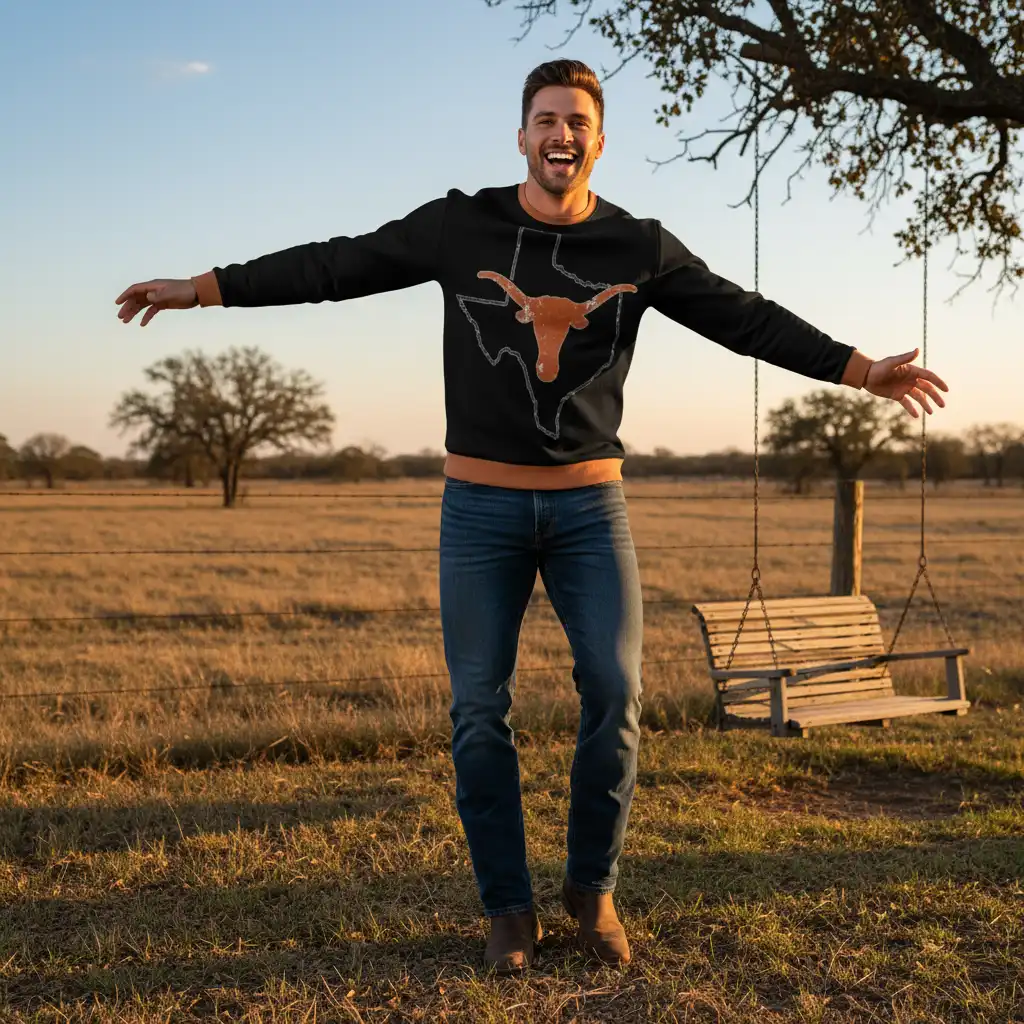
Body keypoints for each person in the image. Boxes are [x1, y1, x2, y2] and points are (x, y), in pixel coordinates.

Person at [115, 58, 949, 973]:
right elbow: (336, 264)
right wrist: (203, 287)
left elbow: (743, 318)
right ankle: (507, 908)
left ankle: (592, 892)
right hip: (480, 510)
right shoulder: (458, 224)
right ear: (522, 136)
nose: (562, 136)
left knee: (618, 697)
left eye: (577, 122)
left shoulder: (638, 246)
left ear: (599, 140)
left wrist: (862, 370)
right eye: (546, 120)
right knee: (478, 711)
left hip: (593, 508)